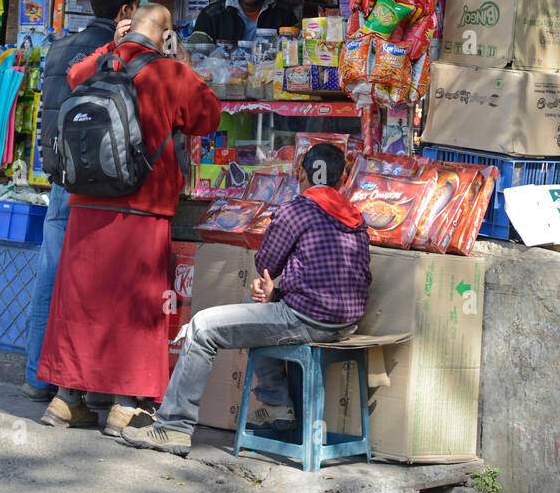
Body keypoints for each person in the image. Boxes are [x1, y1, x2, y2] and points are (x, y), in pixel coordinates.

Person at [37, 3, 221, 436]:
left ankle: (67, 401)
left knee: (80, 304)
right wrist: (184, 64)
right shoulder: (170, 74)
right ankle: (125, 406)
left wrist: (114, 44)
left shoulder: (97, 65)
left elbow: (74, 75)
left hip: (86, 205)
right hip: (143, 209)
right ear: (167, 35)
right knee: (136, 309)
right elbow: (207, 116)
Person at [119, 141, 371, 456]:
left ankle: (174, 427)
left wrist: (276, 286)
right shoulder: (357, 218)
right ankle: (278, 407)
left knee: (201, 328)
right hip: (346, 322)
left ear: (303, 173)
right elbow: (337, 279)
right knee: (260, 308)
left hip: (307, 319)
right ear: (340, 180)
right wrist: (277, 292)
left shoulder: (296, 209)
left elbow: (266, 264)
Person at [22, 0, 141, 402]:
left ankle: (38, 377)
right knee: (94, 284)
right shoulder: (120, 51)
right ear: (127, 10)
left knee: (51, 277)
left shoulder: (57, 49)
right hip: (101, 182)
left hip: (60, 176)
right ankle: (88, 387)